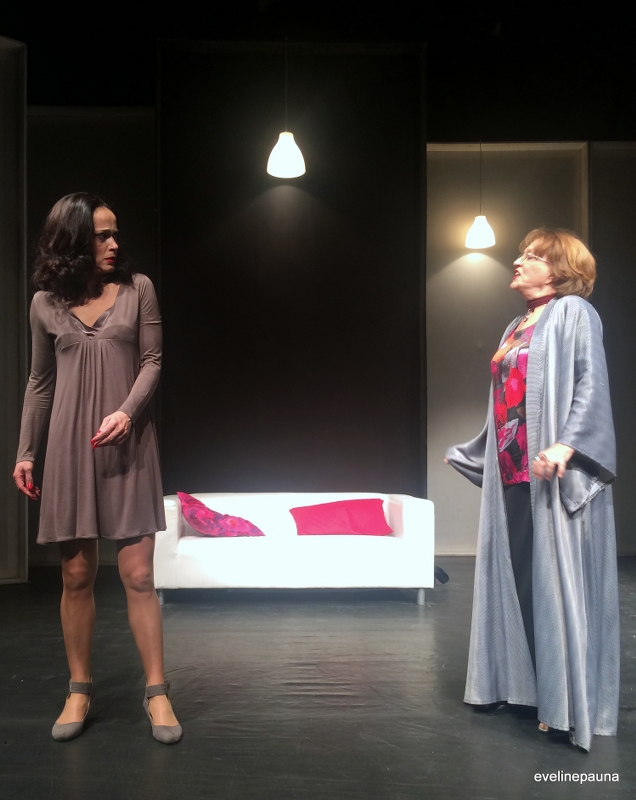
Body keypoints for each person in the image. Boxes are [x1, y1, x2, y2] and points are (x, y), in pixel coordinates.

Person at [13, 193, 182, 744]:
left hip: (128, 445)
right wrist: (26, 451)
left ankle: (157, 692)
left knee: (139, 576)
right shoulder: (44, 303)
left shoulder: (138, 290)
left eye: (115, 233)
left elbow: (152, 361)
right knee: (77, 576)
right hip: (70, 447)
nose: (113, 244)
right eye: (101, 235)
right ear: (72, 241)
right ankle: (79, 689)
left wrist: (127, 413)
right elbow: (40, 383)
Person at [445, 228, 619, 752]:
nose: (518, 262)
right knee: (519, 579)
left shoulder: (574, 313)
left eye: (533, 256)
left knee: (557, 584)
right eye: (522, 254)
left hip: (552, 469)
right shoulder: (517, 323)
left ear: (560, 271)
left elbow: (591, 383)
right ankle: (522, 689)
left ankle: (564, 705)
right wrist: (480, 451)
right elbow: (507, 396)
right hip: (513, 469)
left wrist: (567, 445)